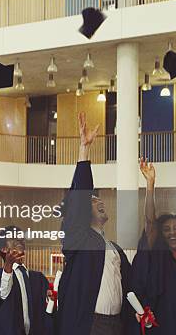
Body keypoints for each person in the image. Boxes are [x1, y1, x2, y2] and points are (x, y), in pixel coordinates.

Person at [56, 113, 132, 335]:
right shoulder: (78, 239)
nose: (98, 201)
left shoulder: (114, 249)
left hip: (116, 324)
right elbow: (79, 199)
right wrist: (84, 150)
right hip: (90, 325)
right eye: (92, 200)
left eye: (99, 199)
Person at [130, 158, 176, 334]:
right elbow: (150, 223)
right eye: (166, 229)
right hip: (166, 326)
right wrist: (150, 184)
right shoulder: (160, 259)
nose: (172, 232)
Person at [0, 225, 53, 335]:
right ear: (3, 249)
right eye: (13, 237)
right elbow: (3, 294)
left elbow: (47, 311)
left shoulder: (39, 278)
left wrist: (52, 299)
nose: (20, 240)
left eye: (21, 237)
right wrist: (8, 265)